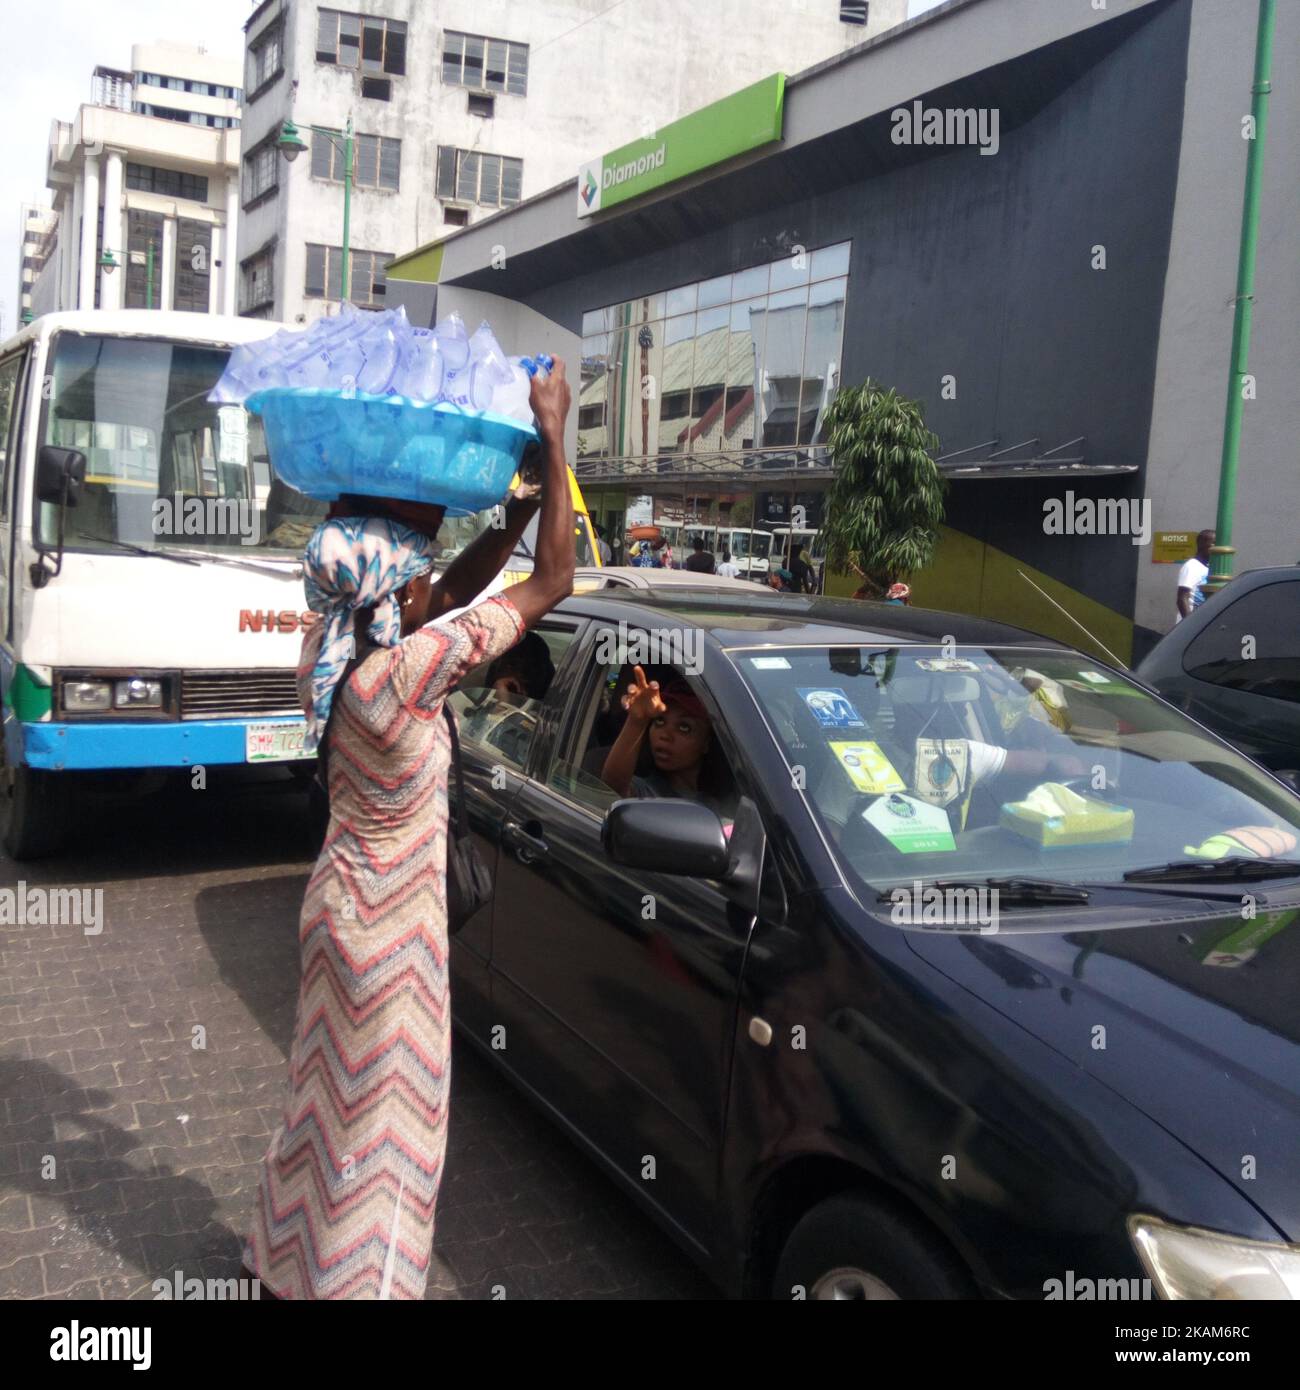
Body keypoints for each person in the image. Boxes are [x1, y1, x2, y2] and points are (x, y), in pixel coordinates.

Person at [241, 360, 575, 1301]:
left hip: (334, 916)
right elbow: (555, 580)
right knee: (391, 1137)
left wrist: (505, 518)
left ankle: (280, 1262)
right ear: (401, 597)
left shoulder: (336, 653)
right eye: (420, 577)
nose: (434, 588)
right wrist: (552, 436)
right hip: (393, 947)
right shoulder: (409, 677)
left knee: (320, 1103)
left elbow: (451, 598)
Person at [600, 666, 738, 821]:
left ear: (706, 742)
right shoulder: (646, 793)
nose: (665, 735)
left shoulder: (729, 802)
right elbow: (613, 785)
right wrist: (637, 721)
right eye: (659, 721)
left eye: (684, 727)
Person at [1176, 529, 1215, 622]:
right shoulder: (1191, 566)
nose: (1216, 548)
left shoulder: (1209, 567)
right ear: (1201, 544)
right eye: (1213, 543)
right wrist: (1189, 623)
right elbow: (1182, 598)